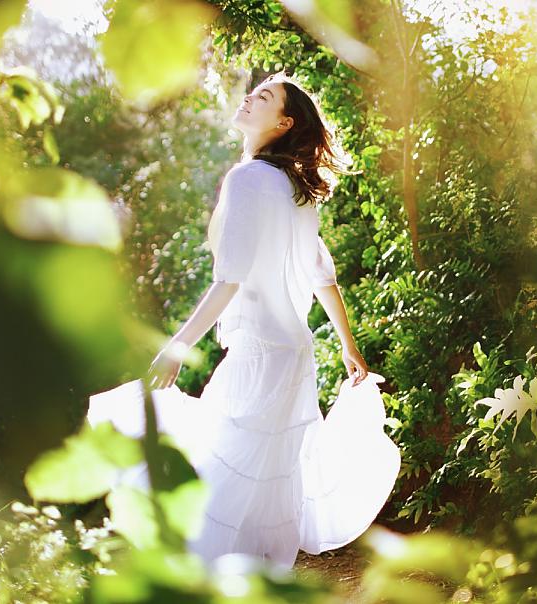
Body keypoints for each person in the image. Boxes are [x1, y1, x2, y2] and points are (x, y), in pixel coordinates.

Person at [88, 71, 400, 570]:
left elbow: (229, 278)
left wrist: (178, 346)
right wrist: (347, 345)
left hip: (259, 353)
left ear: (284, 122)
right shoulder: (297, 188)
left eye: (265, 97)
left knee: (222, 476)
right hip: (294, 355)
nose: (250, 99)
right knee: (262, 490)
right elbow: (323, 275)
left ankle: (211, 581)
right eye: (253, 93)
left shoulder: (249, 179)